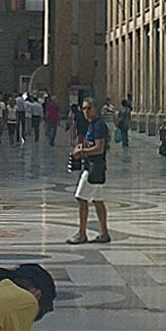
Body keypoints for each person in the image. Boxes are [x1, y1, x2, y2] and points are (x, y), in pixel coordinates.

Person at [68, 97, 110, 244]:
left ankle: (82, 233)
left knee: (81, 198)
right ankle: (104, 233)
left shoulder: (98, 125)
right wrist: (82, 147)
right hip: (95, 167)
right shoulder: (91, 125)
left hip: (93, 168)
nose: (85, 111)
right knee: (98, 201)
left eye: (88, 108)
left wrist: (83, 152)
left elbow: (99, 148)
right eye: (83, 108)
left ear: (95, 109)